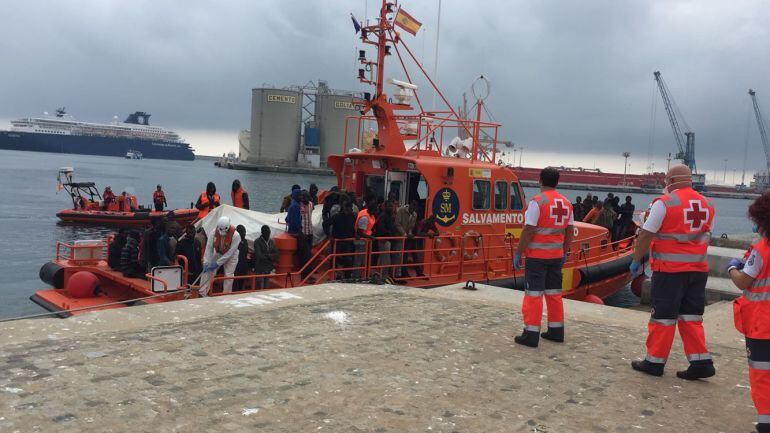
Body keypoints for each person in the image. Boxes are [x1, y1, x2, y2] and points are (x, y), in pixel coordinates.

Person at [629, 164, 716, 379]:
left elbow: (646, 235)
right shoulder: (707, 204)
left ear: (673, 180)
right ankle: (701, 362)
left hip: (670, 270)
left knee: (663, 317)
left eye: (666, 180)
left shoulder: (665, 203)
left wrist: (635, 260)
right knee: (691, 316)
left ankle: (654, 362)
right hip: (698, 270)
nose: (664, 184)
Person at [514, 167, 574, 348]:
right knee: (554, 293)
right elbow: (570, 230)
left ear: (540, 181)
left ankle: (531, 333)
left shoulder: (537, 202)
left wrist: (518, 252)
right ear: (557, 182)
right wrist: (564, 251)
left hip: (537, 257)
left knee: (534, 294)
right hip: (556, 256)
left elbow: (529, 229)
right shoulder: (566, 203)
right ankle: (556, 331)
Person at [726, 192, 770, 433]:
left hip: (763, 325)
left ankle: (766, 423)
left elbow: (744, 282)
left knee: (762, 374)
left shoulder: (761, 249)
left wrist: (733, 268)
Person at [199, 216, 241, 296]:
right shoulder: (213, 233)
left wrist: (217, 264)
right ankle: (202, 292)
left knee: (229, 275)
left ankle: (226, 295)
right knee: (207, 271)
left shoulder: (236, 236)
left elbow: (230, 253)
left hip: (231, 256)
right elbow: (209, 248)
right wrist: (206, 262)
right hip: (218, 252)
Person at [329, 201, 356, 279]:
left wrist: (354, 235)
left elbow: (353, 228)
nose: (348, 210)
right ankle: (337, 275)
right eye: (347, 208)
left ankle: (347, 275)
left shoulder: (352, 216)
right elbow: (326, 224)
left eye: (350, 208)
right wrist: (330, 235)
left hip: (348, 241)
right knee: (337, 258)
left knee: (348, 258)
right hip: (338, 241)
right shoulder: (336, 216)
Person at [395, 200, 418, 278]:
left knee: (405, 255)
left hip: (407, 237)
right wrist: (404, 234)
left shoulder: (415, 215)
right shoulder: (401, 210)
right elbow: (397, 223)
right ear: (410, 205)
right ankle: (396, 273)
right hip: (399, 236)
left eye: (415, 208)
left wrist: (410, 233)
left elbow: (411, 227)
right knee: (398, 255)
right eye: (412, 206)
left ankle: (403, 272)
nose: (413, 209)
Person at [373, 201, 397, 277]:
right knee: (386, 260)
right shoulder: (383, 216)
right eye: (389, 206)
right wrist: (388, 234)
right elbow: (380, 228)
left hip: (387, 239)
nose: (391, 208)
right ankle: (384, 276)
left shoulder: (389, 216)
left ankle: (378, 275)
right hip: (384, 240)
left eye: (392, 206)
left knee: (382, 259)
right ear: (386, 207)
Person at [355, 202, 378, 278]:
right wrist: (371, 237)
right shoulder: (364, 218)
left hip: (366, 240)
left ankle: (362, 275)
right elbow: (360, 232)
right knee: (359, 260)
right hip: (361, 241)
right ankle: (356, 276)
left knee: (363, 260)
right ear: (372, 210)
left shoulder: (370, 214)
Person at [298, 190, 315, 278]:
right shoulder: (299, 205)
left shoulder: (311, 204)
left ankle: (307, 273)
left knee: (308, 253)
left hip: (309, 231)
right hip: (303, 232)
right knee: (305, 254)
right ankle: (304, 274)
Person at [233, 225, 251, 291]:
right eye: (243, 232)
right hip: (236, 267)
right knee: (235, 286)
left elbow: (246, 252)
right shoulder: (234, 242)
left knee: (241, 285)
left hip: (243, 266)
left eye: (245, 232)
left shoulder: (245, 241)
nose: (244, 233)